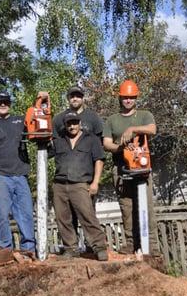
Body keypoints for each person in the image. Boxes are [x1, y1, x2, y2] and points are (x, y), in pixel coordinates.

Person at [103, 79, 160, 256]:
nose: (128, 100)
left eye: (131, 97)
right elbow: (106, 144)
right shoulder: (112, 120)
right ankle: (130, 242)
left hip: (141, 166)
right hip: (121, 166)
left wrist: (133, 130)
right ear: (120, 98)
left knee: (146, 206)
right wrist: (120, 147)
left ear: (136, 98)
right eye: (125, 97)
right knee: (126, 206)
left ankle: (151, 245)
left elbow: (152, 129)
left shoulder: (144, 115)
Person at [0, 91, 36, 253]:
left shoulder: (21, 121)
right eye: (0, 102)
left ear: (10, 104)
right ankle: (5, 249)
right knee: (3, 215)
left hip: (20, 175)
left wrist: (39, 101)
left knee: (26, 213)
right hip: (0, 175)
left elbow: (37, 122)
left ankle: (29, 249)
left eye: (6, 102)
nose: (3, 105)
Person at [50, 111, 108, 261]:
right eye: (69, 123)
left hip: (81, 184)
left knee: (88, 216)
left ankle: (100, 247)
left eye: (75, 122)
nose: (72, 126)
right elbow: (45, 151)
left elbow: (99, 160)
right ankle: (71, 248)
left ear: (80, 123)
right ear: (65, 125)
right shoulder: (59, 140)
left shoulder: (92, 139)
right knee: (63, 219)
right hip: (60, 184)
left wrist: (95, 182)